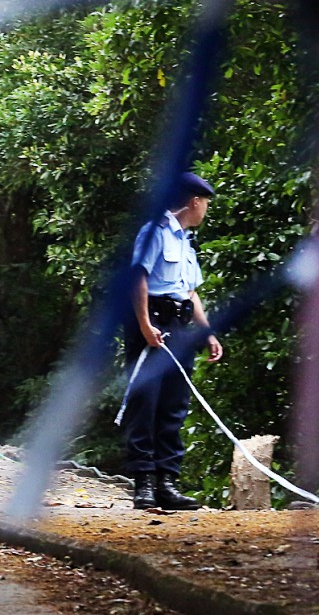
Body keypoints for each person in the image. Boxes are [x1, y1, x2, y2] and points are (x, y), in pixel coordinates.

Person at [121, 172, 223, 510]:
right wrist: (145, 324)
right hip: (153, 322)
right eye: (206, 203)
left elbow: (190, 292)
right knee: (145, 401)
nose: (206, 210)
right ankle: (144, 483)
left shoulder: (186, 241)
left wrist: (207, 331)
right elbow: (139, 279)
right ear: (194, 201)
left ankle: (167, 481)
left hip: (179, 324)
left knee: (174, 404)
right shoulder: (155, 233)